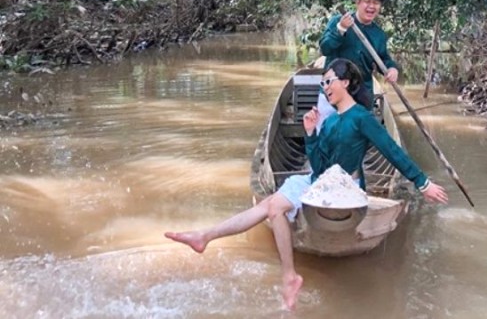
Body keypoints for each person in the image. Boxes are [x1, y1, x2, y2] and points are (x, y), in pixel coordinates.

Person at [164, 58, 448, 311]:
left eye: (328, 81)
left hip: (343, 188)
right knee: (269, 205)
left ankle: (287, 275)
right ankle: (206, 237)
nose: (324, 87)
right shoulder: (330, 122)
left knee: (274, 207)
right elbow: (320, 164)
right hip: (320, 181)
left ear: (345, 83)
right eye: (322, 82)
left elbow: (391, 150)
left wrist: (422, 183)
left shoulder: (362, 118)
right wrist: (311, 134)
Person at [315, 0, 399, 129]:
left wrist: (392, 69)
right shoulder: (337, 22)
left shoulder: (379, 35)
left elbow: (383, 60)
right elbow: (325, 48)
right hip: (332, 92)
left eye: (375, 3)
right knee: (326, 138)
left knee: (357, 142)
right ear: (357, 3)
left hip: (361, 95)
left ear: (379, 7)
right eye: (367, 1)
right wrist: (341, 29)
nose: (371, 6)